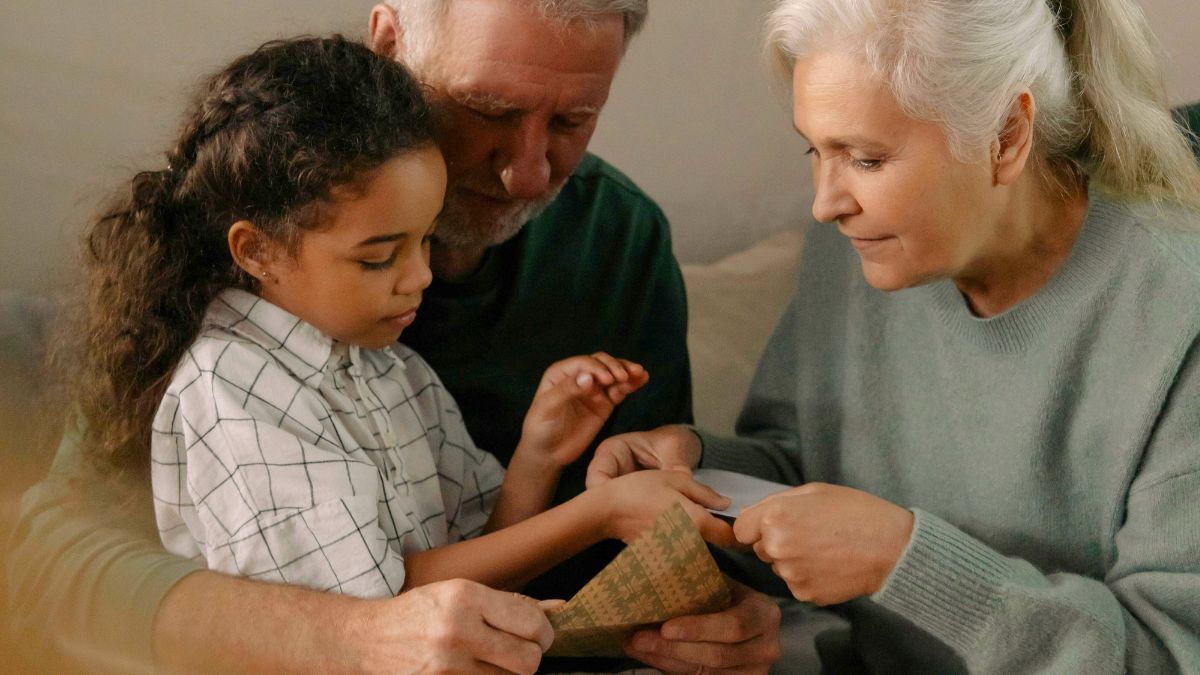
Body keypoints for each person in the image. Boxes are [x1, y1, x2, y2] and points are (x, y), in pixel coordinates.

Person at [7, 2, 783, 673]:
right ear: (389, 46)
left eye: (573, 121)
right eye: (489, 108)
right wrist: (350, 636)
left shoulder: (608, 250)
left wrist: (714, 607)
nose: (526, 171)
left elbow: (638, 537)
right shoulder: (235, 252)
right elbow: (56, 561)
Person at [588, 0, 1200, 671]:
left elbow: (1169, 653)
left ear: (1006, 136)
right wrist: (698, 474)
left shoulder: (1176, 315)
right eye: (815, 150)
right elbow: (810, 464)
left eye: (866, 158)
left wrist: (903, 559)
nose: (826, 202)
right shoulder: (853, 253)